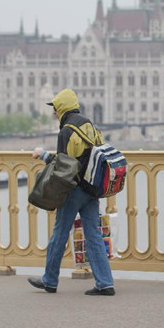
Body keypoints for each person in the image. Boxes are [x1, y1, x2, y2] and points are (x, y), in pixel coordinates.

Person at [27, 88, 115, 296]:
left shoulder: (66, 130)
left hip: (74, 190)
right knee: (93, 234)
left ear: (62, 108)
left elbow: (63, 168)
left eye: (56, 109)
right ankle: (105, 282)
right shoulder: (89, 124)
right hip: (92, 187)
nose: (54, 113)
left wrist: (44, 156)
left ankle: (49, 280)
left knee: (59, 233)